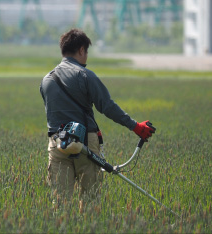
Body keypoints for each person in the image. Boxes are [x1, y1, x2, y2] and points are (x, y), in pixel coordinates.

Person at [40, 28, 155, 201]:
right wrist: (136, 126)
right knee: (90, 202)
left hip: (57, 145)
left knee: (60, 203)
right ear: (81, 50)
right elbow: (107, 106)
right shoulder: (85, 75)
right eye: (86, 52)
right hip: (85, 144)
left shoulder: (46, 80)